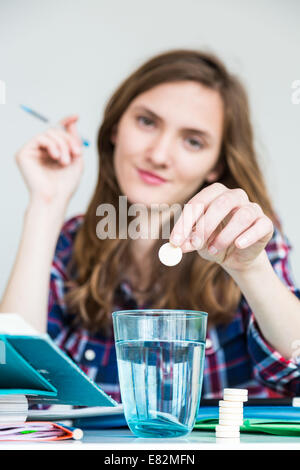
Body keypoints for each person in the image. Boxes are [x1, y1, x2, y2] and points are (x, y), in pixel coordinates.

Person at [1, 49, 300, 403]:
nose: (158, 155)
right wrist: (45, 205)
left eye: (193, 141)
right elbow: (14, 384)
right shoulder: (66, 243)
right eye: (147, 122)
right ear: (115, 127)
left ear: (214, 166)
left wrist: (251, 269)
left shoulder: (247, 240)